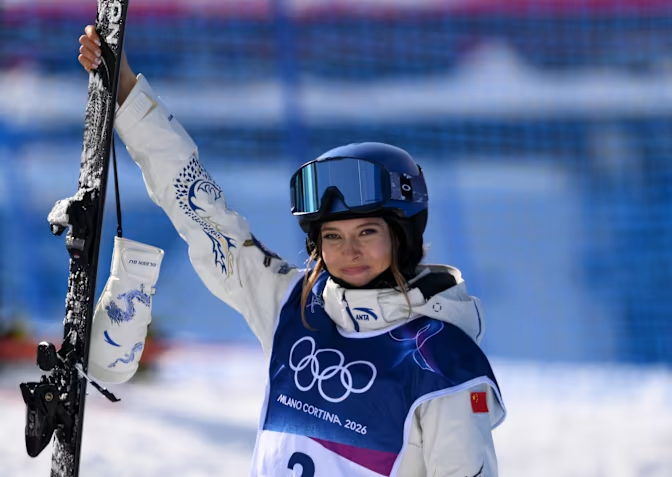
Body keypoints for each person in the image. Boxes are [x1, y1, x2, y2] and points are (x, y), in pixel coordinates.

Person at [79, 25, 506, 477]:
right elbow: (200, 209)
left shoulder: (442, 360)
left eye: (367, 232)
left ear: (404, 237)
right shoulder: (295, 307)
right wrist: (126, 92)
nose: (350, 251)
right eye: (332, 237)